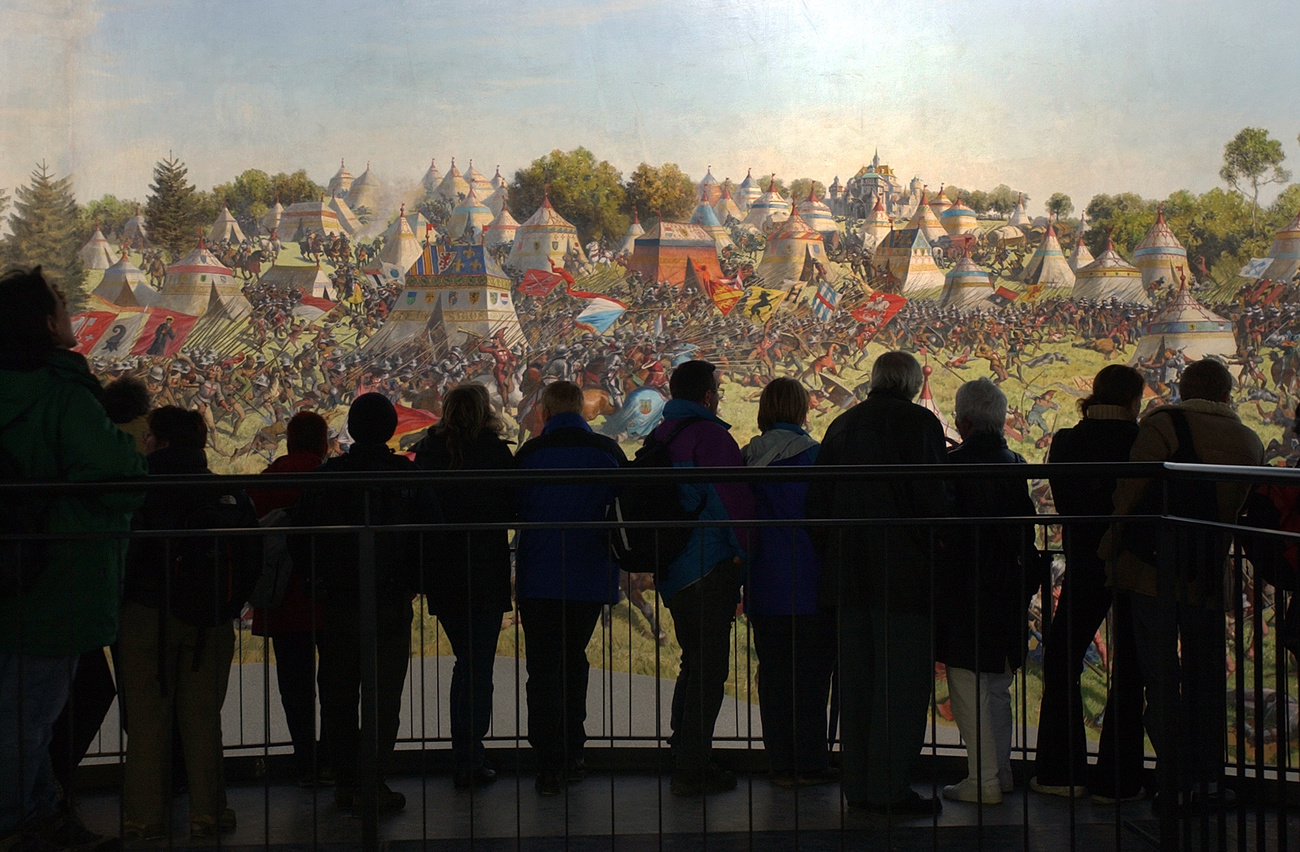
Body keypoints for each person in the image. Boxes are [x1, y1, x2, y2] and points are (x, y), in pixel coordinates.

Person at [0, 267, 145, 851]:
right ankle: (17, 823)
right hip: (56, 582)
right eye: (61, 303)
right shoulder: (63, 396)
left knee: (21, 715)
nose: (70, 311)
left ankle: (35, 814)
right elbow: (122, 481)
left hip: (12, 575)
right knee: (29, 720)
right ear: (44, 323)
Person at [1105, 359, 1263, 813]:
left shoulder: (1163, 425)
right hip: (1209, 570)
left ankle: (1172, 779)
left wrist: (1110, 546)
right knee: (1206, 678)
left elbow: (1130, 492)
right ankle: (1208, 779)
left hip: (1152, 569)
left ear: (1182, 388)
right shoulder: (1248, 440)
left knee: (1161, 676)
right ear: (1228, 395)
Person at [805, 350, 952, 817]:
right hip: (904, 576)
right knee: (902, 683)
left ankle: (859, 785)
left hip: (847, 575)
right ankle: (890, 788)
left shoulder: (841, 426)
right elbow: (934, 500)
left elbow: (818, 503)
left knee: (857, 684)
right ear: (910, 384)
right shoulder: (919, 425)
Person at [118, 405, 258, 841]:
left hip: (145, 616)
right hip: (210, 619)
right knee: (202, 719)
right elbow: (251, 557)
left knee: (146, 721)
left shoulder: (136, 490)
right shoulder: (230, 494)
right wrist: (228, 606)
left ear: (158, 441)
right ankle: (209, 812)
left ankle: (144, 818)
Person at [291, 393, 435, 816]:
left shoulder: (331, 475)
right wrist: (415, 582)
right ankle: (373, 782)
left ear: (351, 429)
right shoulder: (407, 477)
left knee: (338, 693)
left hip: (339, 601)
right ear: (392, 429)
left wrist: (318, 581)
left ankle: (348, 783)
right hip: (390, 600)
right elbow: (432, 534)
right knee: (384, 696)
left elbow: (300, 534)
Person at [1034, 364, 1147, 802]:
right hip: (1133, 562)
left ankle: (1061, 772)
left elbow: (1063, 503)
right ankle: (1119, 780)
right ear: (1133, 399)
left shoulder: (1066, 441)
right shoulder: (1140, 441)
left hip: (1083, 560)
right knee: (1130, 667)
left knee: (1062, 658)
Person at [514, 381, 626, 796]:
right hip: (589, 574)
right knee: (573, 660)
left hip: (537, 576)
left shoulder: (529, 454)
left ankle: (546, 761)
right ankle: (573, 752)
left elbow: (513, 505)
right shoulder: (607, 452)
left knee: (542, 667)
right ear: (582, 408)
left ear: (544, 411)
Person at [650, 360, 755, 796]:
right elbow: (732, 503)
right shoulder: (710, 437)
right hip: (708, 565)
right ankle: (693, 766)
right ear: (708, 396)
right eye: (718, 387)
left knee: (692, 662)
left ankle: (685, 751)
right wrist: (747, 555)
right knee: (708, 669)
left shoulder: (661, 434)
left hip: (673, 568)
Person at [936, 378, 1042, 804]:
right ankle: (1001, 773)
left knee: (965, 683)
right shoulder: (1015, 462)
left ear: (961, 421)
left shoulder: (950, 464)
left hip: (964, 587)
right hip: (1009, 585)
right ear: (1000, 419)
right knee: (998, 684)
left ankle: (981, 781)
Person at [412, 385, 515, 790]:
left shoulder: (428, 451)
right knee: (477, 665)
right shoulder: (494, 451)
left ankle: (466, 754)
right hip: (485, 568)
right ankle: (470, 755)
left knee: (465, 662)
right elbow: (510, 506)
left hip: (443, 570)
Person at [740, 378, 836, 788]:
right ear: (802, 410)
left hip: (763, 585)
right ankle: (811, 764)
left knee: (775, 677)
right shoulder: (817, 457)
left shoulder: (744, 459)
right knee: (812, 681)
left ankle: (780, 763)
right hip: (812, 585)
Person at [246, 411, 333, 788]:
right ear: (323, 442)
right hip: (327, 597)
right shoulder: (330, 479)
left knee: (294, 686)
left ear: (289, 440)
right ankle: (332, 759)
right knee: (336, 683)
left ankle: (305, 761)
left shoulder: (266, 480)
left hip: (281, 599)